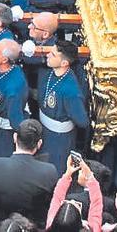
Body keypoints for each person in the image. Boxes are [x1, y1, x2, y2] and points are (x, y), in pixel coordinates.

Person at [0, 119, 60, 226]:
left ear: (15, 137)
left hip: (0, 226)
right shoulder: (50, 172)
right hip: (33, 227)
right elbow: (51, 205)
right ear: (39, 144)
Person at [38, 40, 88, 170]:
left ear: (64, 63)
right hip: (44, 131)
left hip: (59, 141)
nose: (48, 55)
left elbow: (82, 121)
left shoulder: (71, 91)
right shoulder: (49, 73)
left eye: (53, 55)